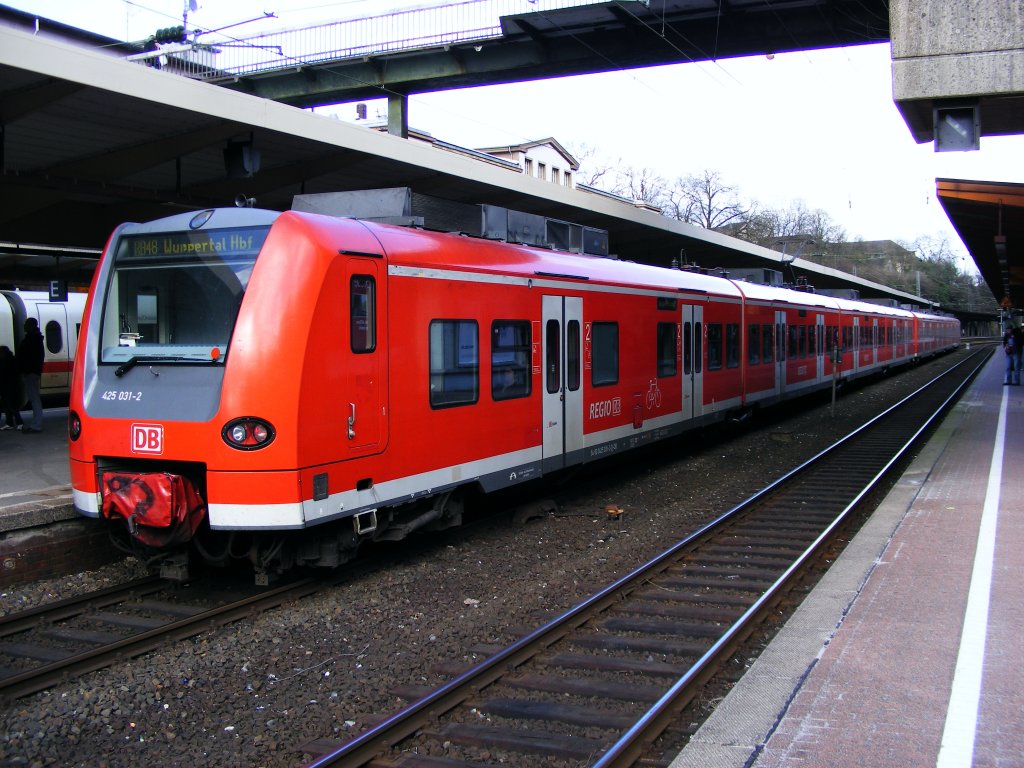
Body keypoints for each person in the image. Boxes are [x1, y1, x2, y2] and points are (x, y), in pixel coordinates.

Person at [16, 317, 44, 432]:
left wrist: (25, 370)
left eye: (26, 324)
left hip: (31, 372)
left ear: (31, 326)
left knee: (34, 399)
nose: (24, 326)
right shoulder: (35, 339)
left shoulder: (32, 340)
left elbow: (28, 357)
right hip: (32, 371)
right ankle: (36, 424)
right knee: (34, 398)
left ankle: (36, 425)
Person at [0, 345, 23, 430]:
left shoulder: (5, 361)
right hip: (9, 386)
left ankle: (17, 422)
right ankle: (11, 423)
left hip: (7, 386)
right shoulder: (12, 360)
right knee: (9, 406)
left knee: (10, 406)